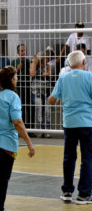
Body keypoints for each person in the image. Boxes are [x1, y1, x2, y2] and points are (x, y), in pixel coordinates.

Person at [48, 51, 92, 205]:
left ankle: (67, 191)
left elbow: (51, 100)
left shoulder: (63, 78)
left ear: (69, 63)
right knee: (87, 159)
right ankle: (84, 194)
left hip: (69, 123)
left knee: (69, 157)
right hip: (87, 122)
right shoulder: (90, 77)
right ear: (83, 62)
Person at [0, 65, 35, 211]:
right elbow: (17, 122)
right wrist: (29, 143)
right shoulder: (12, 96)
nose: (17, 79)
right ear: (12, 79)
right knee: (2, 180)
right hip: (6, 144)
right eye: (16, 77)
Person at [11, 44, 33, 131]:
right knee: (20, 106)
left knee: (29, 106)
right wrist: (17, 69)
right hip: (18, 87)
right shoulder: (14, 62)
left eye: (24, 50)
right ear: (18, 53)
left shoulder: (27, 61)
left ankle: (29, 127)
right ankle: (20, 126)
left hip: (27, 86)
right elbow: (11, 74)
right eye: (22, 51)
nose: (24, 52)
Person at [30, 51, 52, 137]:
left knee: (47, 111)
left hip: (46, 92)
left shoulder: (48, 66)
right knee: (39, 111)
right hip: (36, 92)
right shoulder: (35, 66)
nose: (47, 60)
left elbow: (50, 75)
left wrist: (47, 73)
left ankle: (48, 130)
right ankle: (41, 130)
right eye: (45, 58)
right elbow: (32, 74)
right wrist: (34, 63)